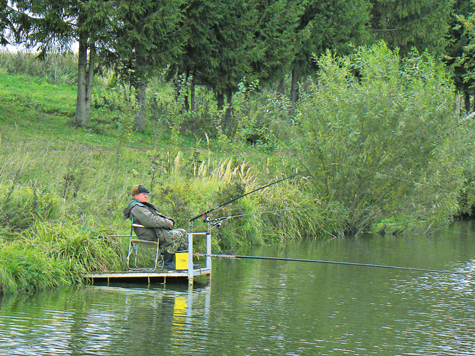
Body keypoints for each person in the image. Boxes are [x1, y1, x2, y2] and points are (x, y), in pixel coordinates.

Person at [123, 184, 188, 270]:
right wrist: (167, 223)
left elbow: (157, 217)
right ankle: (167, 263)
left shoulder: (143, 206)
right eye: (144, 194)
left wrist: (169, 220)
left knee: (183, 232)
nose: (146, 196)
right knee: (177, 235)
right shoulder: (136, 208)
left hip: (155, 232)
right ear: (136, 196)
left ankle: (184, 264)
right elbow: (150, 220)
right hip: (148, 234)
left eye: (146, 194)